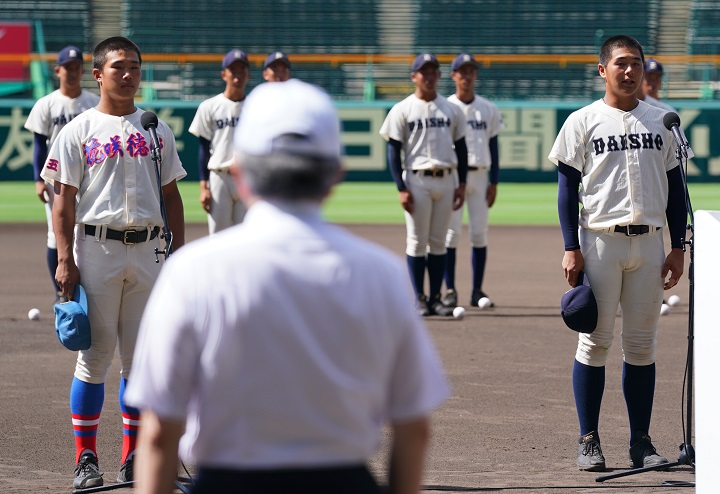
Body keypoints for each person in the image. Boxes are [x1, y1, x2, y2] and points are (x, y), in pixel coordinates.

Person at [125, 79, 450, 494]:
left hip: (228, 481)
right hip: (344, 482)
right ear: (335, 174)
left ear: (239, 173)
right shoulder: (381, 272)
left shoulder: (192, 271)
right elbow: (413, 427)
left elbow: (158, 432)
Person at [40, 36, 186, 489]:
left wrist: (178, 252)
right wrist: (64, 261)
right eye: (119, 66)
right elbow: (62, 203)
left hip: (150, 250)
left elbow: (171, 195)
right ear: (98, 74)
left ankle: (132, 457)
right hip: (96, 249)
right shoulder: (78, 130)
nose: (128, 74)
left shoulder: (155, 129)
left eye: (135, 67)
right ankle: (86, 458)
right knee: (93, 359)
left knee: (141, 362)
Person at [548, 34, 688, 472]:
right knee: (594, 341)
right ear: (602, 70)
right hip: (600, 241)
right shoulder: (582, 120)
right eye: (621, 63)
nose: (630, 71)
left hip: (649, 243)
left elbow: (677, 189)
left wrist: (678, 246)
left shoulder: (664, 120)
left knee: (642, 345)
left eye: (637, 63)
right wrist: (571, 247)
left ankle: (641, 443)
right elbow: (567, 188)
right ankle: (589, 439)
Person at [379, 53, 468, 317]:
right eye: (423, 72)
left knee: (439, 243)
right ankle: (417, 298)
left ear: (439, 76)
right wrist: (401, 188)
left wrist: (462, 184)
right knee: (417, 242)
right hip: (416, 180)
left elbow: (462, 149)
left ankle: (436, 298)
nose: (429, 76)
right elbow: (393, 151)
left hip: (447, 178)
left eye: (433, 72)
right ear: (414, 76)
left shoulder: (451, 109)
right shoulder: (402, 109)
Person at [24, 45, 100, 302]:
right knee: (55, 234)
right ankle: (60, 292)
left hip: (88, 177)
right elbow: (38, 145)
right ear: (58, 70)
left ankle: (85, 287)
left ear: (83, 70)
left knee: (86, 231)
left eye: (77, 66)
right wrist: (37, 179)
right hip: (55, 178)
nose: (72, 71)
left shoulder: (93, 103)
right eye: (67, 67)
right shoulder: (47, 104)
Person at [442, 53, 503, 308]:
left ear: (475, 75)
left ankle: (477, 290)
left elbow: (494, 145)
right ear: (453, 75)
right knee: (451, 235)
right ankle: (449, 290)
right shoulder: (444, 106)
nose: (466, 76)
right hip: (455, 176)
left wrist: (494, 182)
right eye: (461, 71)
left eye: (470, 71)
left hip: (480, 175)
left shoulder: (487, 108)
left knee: (479, 234)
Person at [189, 49, 250, 234]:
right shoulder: (209, 106)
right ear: (224, 74)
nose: (237, 75)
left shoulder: (256, 106)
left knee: (245, 236)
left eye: (242, 70)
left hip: (246, 177)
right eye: (233, 70)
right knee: (219, 235)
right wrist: (203, 186)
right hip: (219, 176)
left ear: (248, 74)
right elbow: (204, 148)